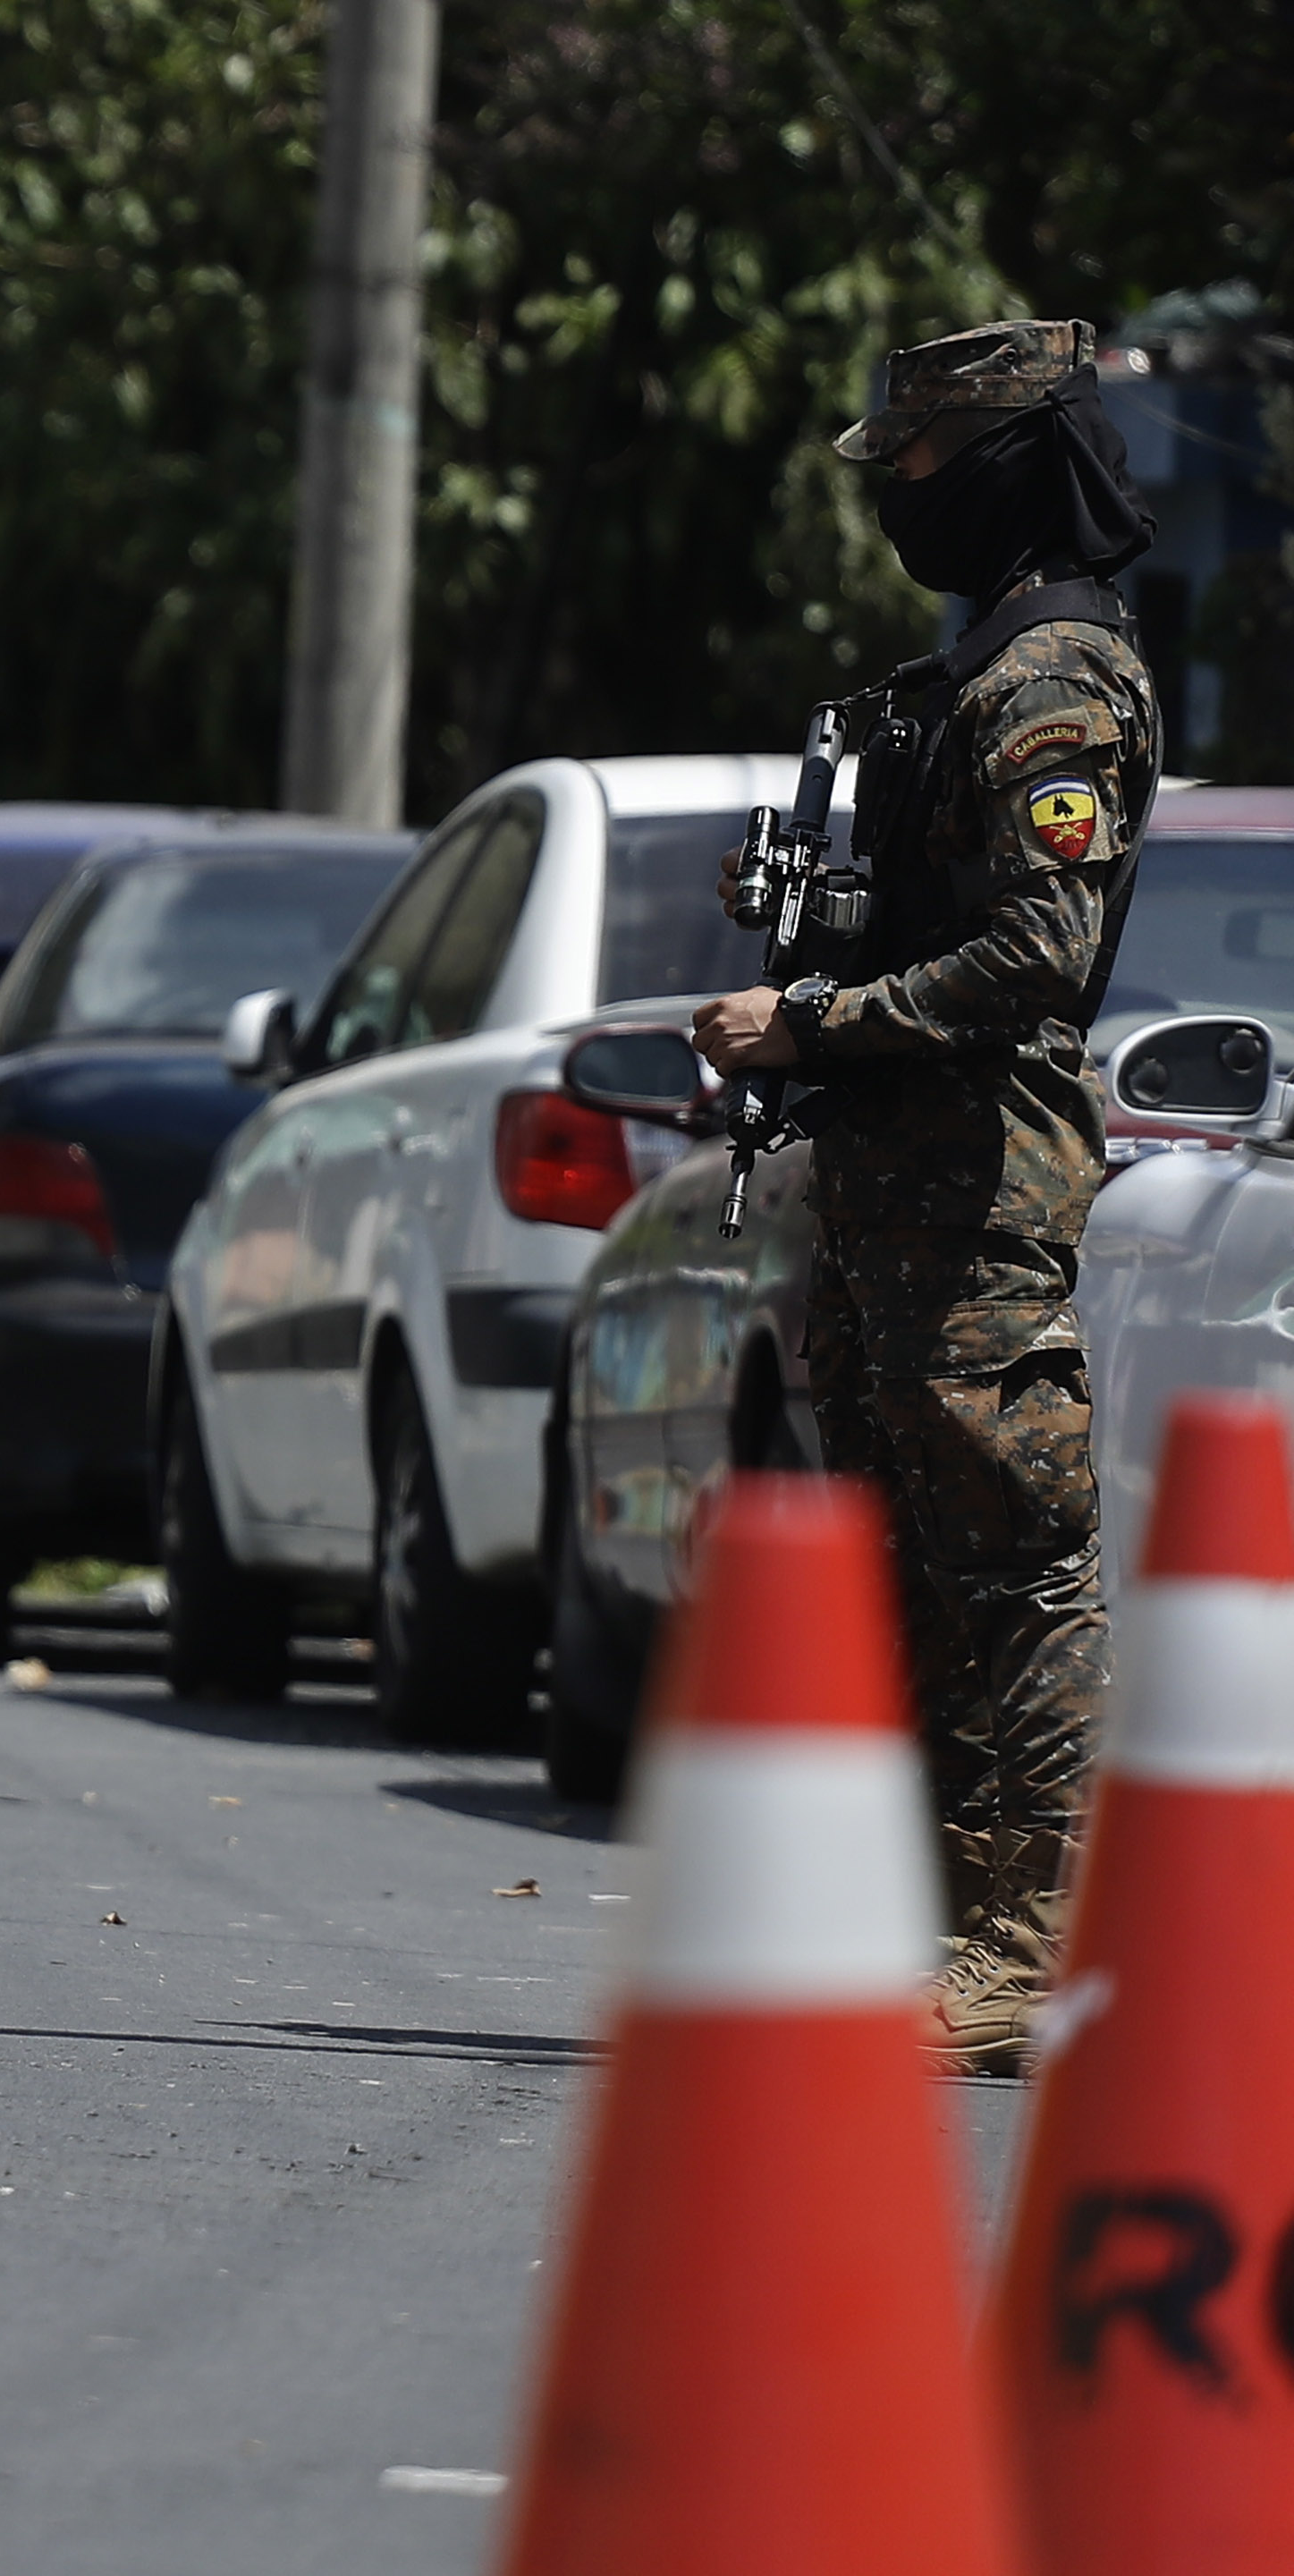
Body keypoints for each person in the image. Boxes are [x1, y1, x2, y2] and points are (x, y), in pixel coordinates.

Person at [688, 318, 1158, 2072]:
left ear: (1011, 462)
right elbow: (942, 906)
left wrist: (814, 1019)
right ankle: (955, 1936)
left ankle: (1029, 1953)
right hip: (896, 1193)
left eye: (919, 462)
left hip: (977, 1193)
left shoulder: (1055, 677)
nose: (896, 493)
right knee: (912, 1563)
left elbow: (1041, 950)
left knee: (1017, 1569)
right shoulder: (973, 666)